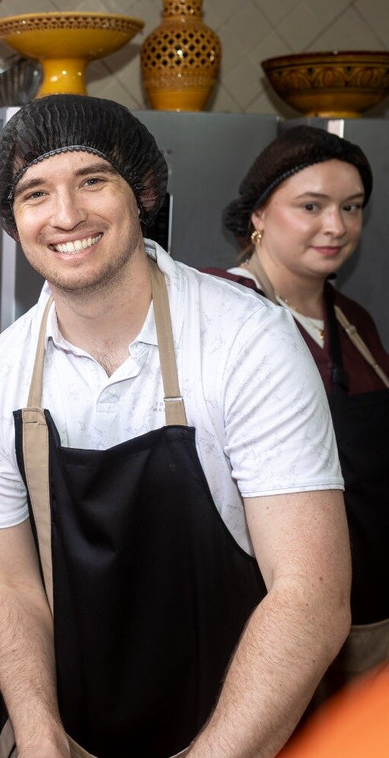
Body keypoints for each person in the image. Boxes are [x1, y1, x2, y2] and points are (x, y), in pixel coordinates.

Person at [0, 95, 351, 758]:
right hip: (73, 733)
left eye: (92, 181)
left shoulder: (247, 343)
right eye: (35, 193)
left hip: (244, 735)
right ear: (13, 219)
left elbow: (310, 597)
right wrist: (39, 734)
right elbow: (10, 584)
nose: (66, 216)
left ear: (142, 192)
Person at [209, 126, 389, 698]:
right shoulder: (221, 311)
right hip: (262, 621)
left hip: (369, 613)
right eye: (311, 206)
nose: (336, 226)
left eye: (352, 208)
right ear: (257, 214)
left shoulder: (355, 321)